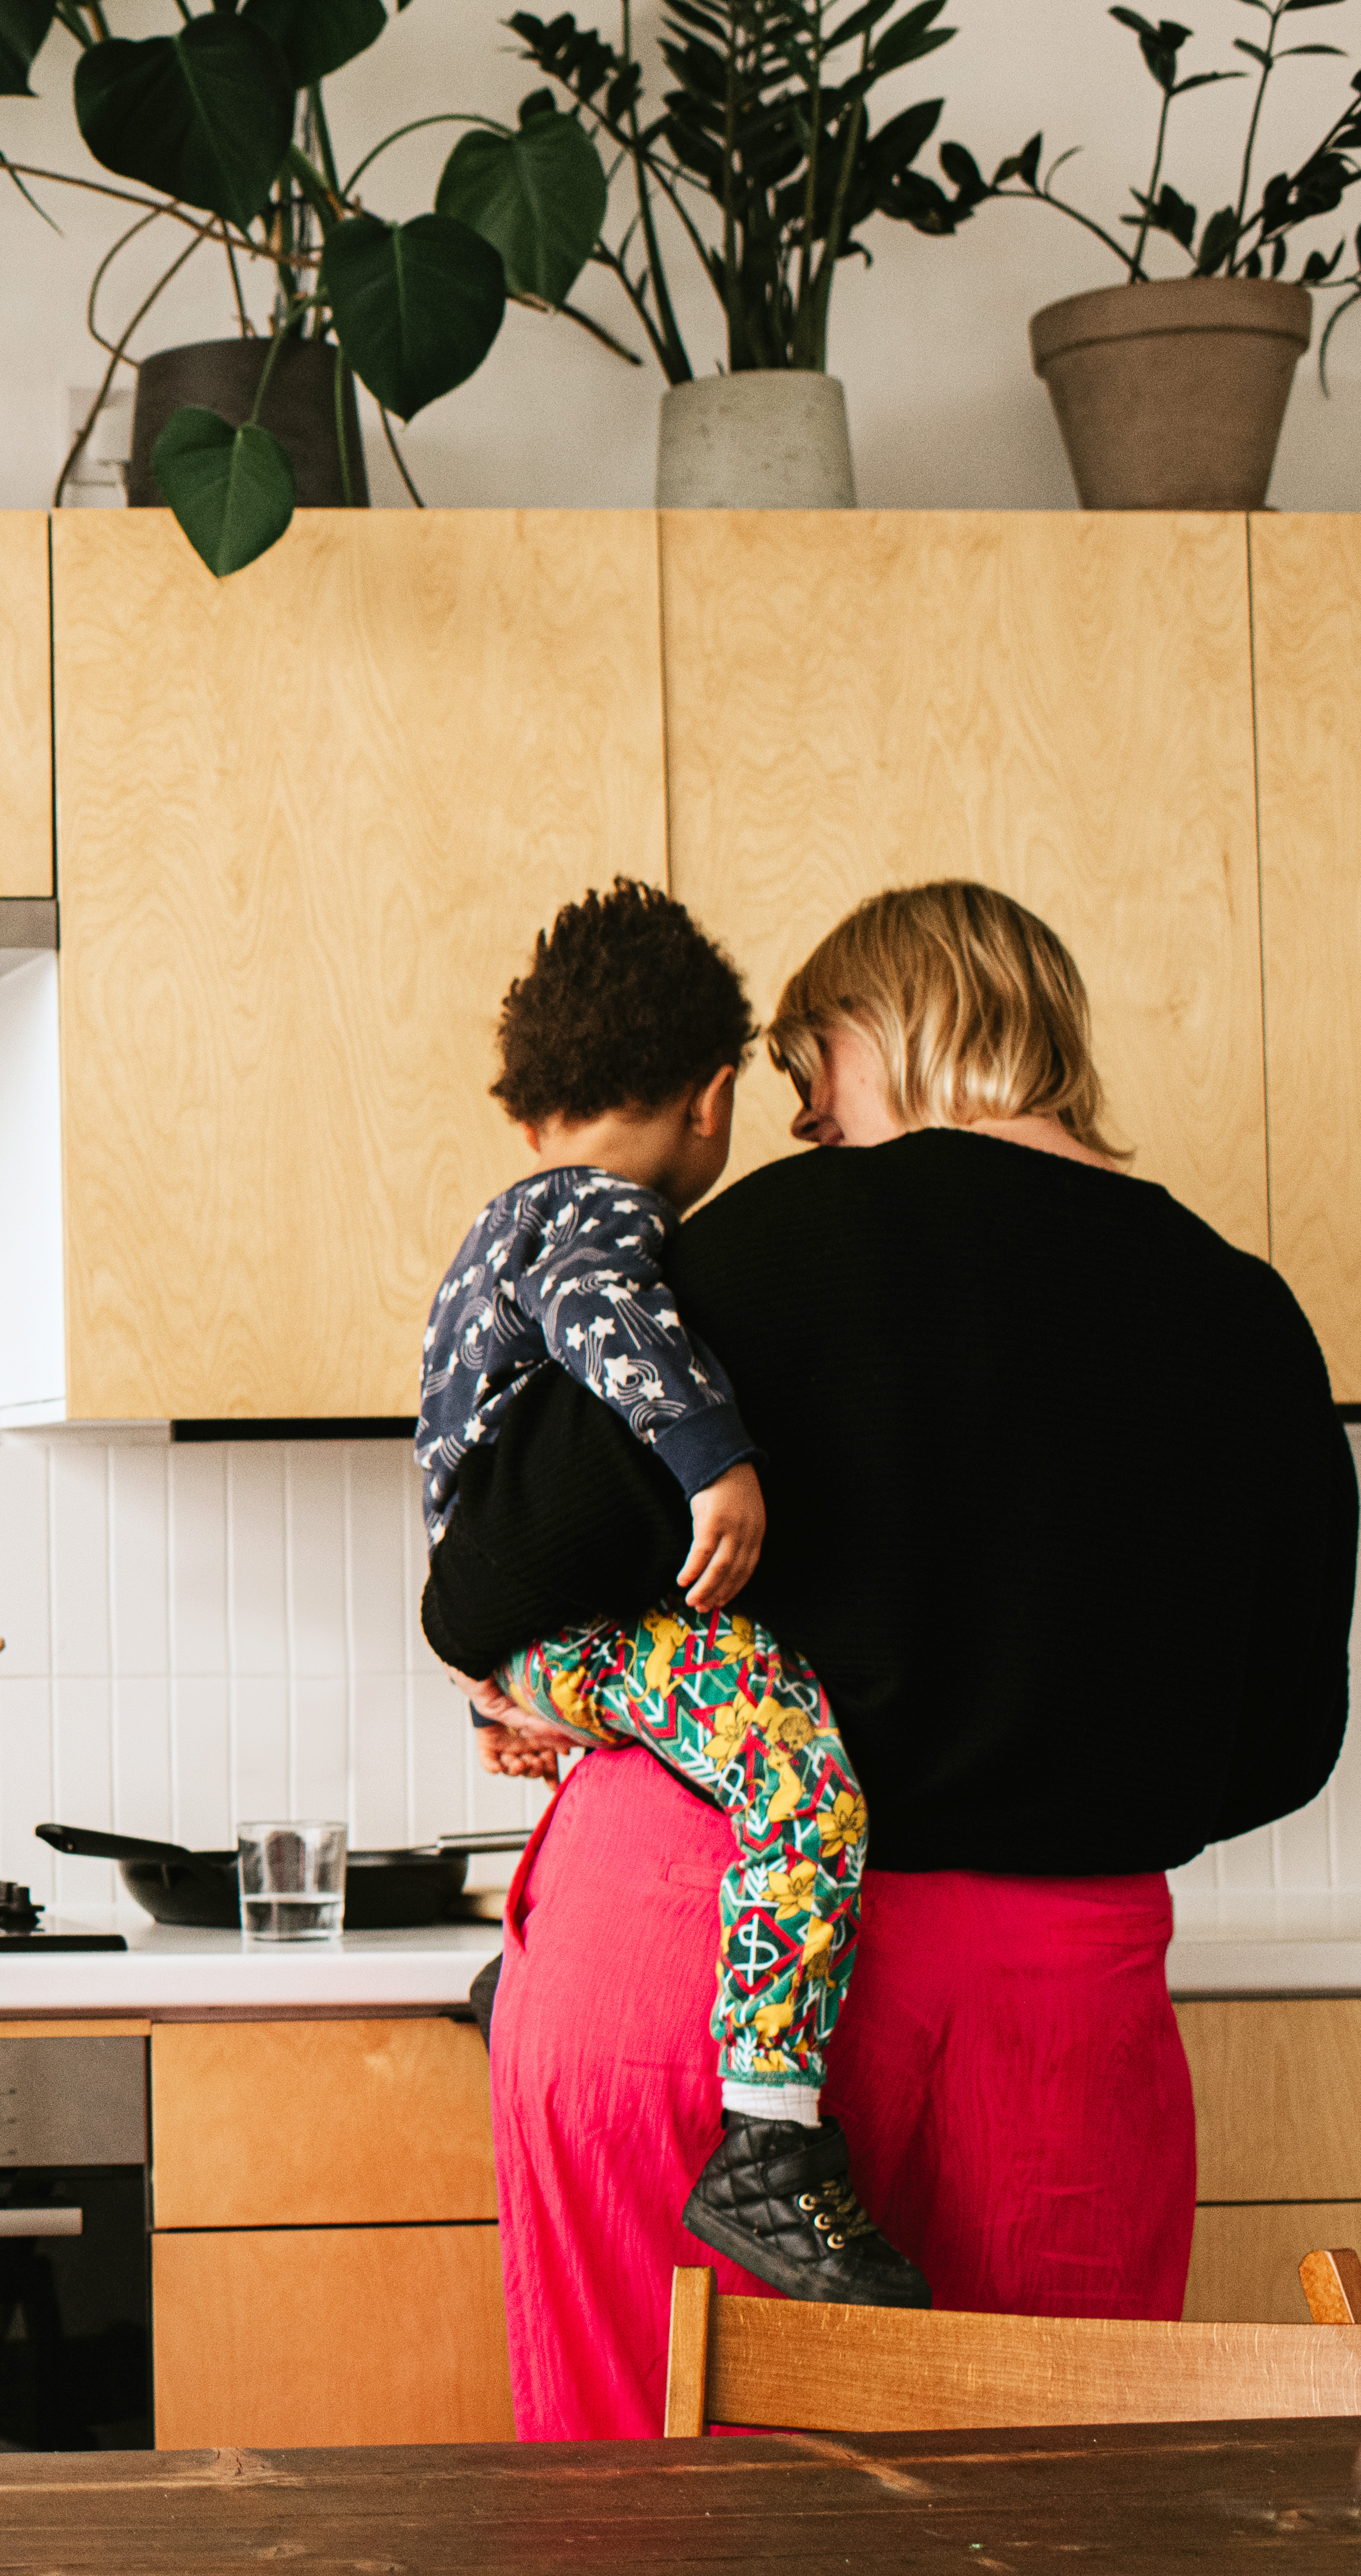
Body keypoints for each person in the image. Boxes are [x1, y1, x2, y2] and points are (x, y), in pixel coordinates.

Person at [479, 881, 1353, 2439]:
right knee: (1026, 2543)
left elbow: (490, 1569)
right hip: (1052, 1995)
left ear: (886, 1025)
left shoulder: (769, 1241)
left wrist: (555, 1675)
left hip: (689, 1947)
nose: (803, 1120)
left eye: (812, 1072)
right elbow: (1281, 1742)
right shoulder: (1242, 1312)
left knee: (644, 2553)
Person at [413, 883, 919, 2308]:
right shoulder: (592, 1216)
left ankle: (525, 1983)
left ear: (527, 1105)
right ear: (712, 1102)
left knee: (697, 1743)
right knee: (798, 1784)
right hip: (582, 1630)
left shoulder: (496, 1219)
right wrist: (715, 1461)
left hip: (536, 1636)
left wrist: (499, 1679)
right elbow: (601, 1311)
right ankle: (767, 2143)